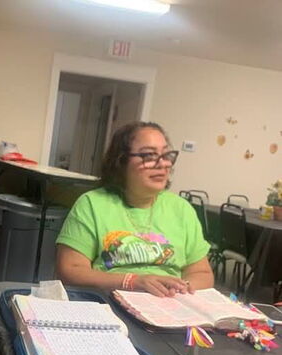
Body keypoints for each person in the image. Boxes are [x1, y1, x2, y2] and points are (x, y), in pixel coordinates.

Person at [56, 121, 214, 296]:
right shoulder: (92, 204)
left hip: (168, 303)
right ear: (121, 161)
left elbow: (202, 273)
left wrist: (180, 288)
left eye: (166, 155)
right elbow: (70, 270)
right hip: (110, 300)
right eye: (149, 155)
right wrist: (132, 282)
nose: (163, 164)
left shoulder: (181, 209)